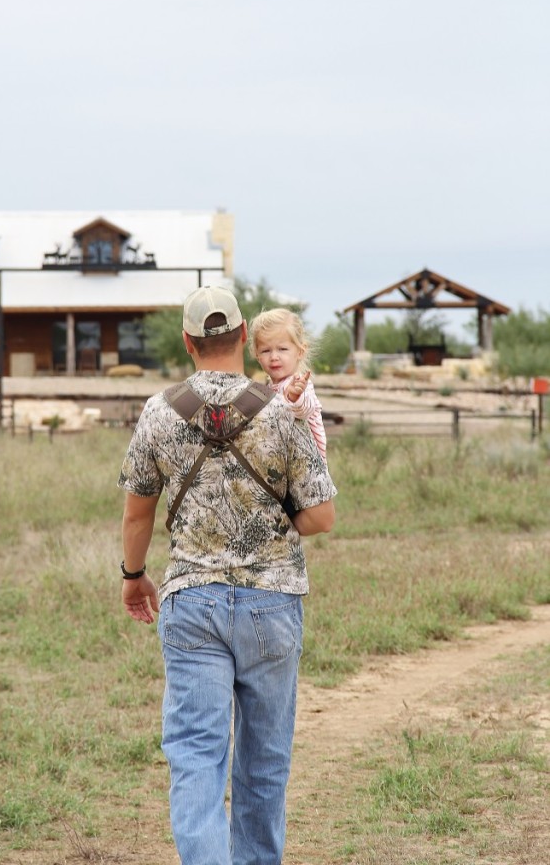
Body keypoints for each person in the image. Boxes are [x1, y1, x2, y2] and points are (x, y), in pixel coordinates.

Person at [118, 285, 337, 865]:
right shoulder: (284, 408)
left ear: (188, 343)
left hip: (191, 601)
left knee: (195, 756)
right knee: (264, 762)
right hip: (272, 604)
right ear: (244, 337)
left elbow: (138, 509)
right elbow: (321, 516)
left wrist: (133, 574)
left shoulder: (159, 411)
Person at [250, 307, 327, 458]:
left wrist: (294, 396)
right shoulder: (270, 389)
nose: (274, 357)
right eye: (266, 351)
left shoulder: (299, 385)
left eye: (282, 349)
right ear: (257, 355)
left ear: (300, 351)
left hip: (309, 468)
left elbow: (306, 409)